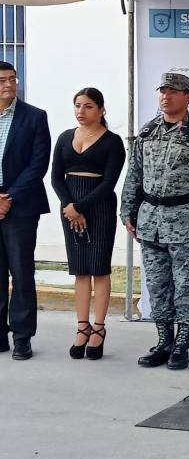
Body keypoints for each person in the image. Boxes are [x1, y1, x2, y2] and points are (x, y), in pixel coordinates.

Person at [120, 72, 189, 370]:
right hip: (150, 221)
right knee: (157, 284)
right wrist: (127, 211)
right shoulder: (148, 131)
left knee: (186, 285)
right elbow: (134, 174)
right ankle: (164, 340)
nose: (166, 97)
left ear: (188, 96)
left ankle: (182, 343)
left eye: (174, 92)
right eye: (163, 91)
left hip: (186, 221)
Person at [51, 88, 125, 360]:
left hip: (99, 207)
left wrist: (80, 207)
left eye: (88, 106)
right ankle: (82, 327)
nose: (81, 111)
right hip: (70, 207)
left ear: (101, 110)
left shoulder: (113, 142)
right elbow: (56, 178)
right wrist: (70, 207)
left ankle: (99, 328)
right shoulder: (64, 137)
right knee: (80, 269)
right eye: (77, 105)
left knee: (99, 269)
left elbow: (109, 183)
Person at [0, 62, 50, 360]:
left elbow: (39, 162)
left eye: (12, 79)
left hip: (21, 206)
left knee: (21, 272)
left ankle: (22, 337)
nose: (8, 84)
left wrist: (9, 197)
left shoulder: (34, 117)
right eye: (2, 80)